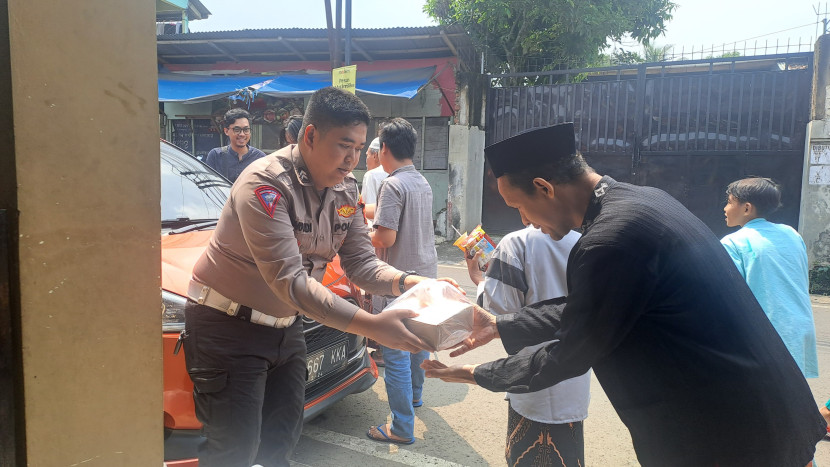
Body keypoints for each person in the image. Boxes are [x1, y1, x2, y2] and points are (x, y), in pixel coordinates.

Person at [422, 123, 826, 467]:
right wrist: (500, 325)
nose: (525, 222)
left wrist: (477, 373)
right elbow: (602, 306)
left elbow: (571, 352)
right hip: (767, 420)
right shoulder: (645, 201)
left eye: (519, 208)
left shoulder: (610, 240)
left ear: (544, 188)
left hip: (732, 440)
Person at [182, 87, 446, 467]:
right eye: (344, 146)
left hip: (287, 325)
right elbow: (289, 281)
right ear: (310, 135)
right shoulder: (265, 184)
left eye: (358, 148)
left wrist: (412, 282)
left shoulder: (345, 189)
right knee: (232, 451)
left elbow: (362, 264)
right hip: (228, 327)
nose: (352, 159)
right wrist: (373, 325)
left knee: (281, 441)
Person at [464, 226, 589, 467]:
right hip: (575, 379)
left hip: (531, 378)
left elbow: (497, 316)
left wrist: (478, 279)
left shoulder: (516, 243)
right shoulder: (586, 241)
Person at [366, 118, 438, 445]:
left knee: (395, 352)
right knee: (418, 344)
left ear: (385, 149)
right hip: (425, 277)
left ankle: (401, 428)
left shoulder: (391, 185)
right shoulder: (422, 181)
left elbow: (385, 237)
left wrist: (359, 236)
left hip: (399, 283)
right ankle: (416, 397)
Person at [720, 177, 818, 378]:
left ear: (747, 208)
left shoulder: (733, 242)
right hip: (799, 331)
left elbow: (728, 297)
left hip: (762, 337)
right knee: (790, 399)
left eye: (730, 202)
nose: (725, 208)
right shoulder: (791, 234)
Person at [204, 108, 267, 182]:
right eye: (237, 130)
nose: (242, 134)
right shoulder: (216, 156)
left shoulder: (260, 158)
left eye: (246, 130)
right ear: (226, 131)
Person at [360, 136, 388, 227]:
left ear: (375, 156)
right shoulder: (397, 173)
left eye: (367, 155)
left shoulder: (371, 175)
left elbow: (367, 213)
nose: (366, 160)